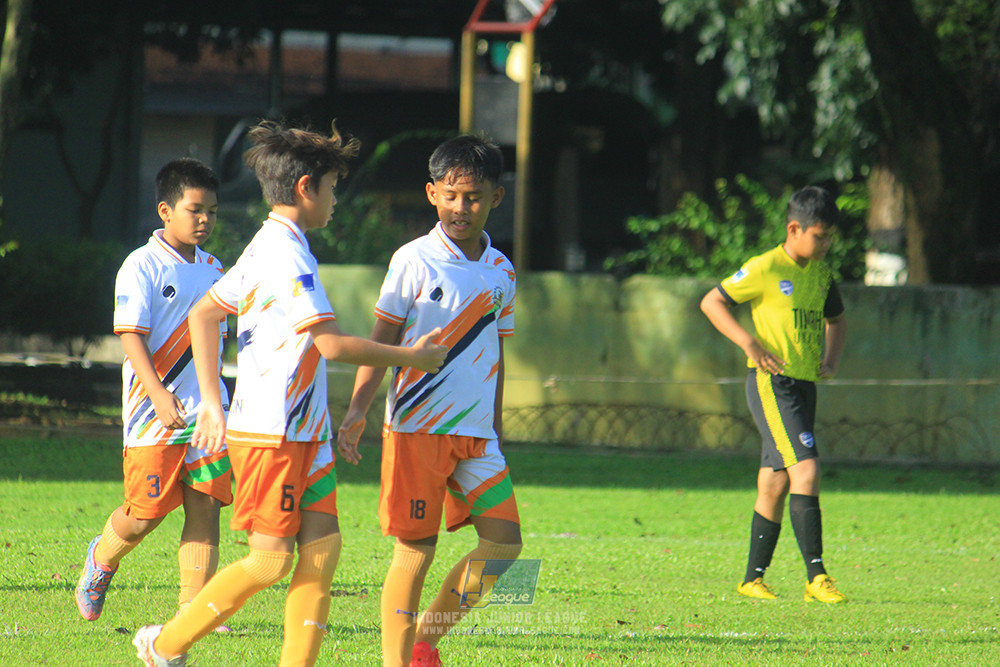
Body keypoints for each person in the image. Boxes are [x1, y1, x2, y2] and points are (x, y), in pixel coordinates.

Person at [132, 119, 448, 667]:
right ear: (306, 188)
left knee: (322, 552)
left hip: (306, 432)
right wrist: (412, 358)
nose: (335, 203)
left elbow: (206, 311)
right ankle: (163, 645)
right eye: (332, 189)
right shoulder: (285, 254)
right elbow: (328, 346)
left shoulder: (271, 243)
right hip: (271, 432)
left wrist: (212, 397)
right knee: (270, 561)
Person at [337, 134, 523, 667]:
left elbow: (496, 351)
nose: (461, 207)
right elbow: (382, 339)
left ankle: (424, 641)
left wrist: (496, 424)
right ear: (432, 194)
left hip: (478, 437)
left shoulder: (502, 270)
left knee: (504, 545)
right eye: (451, 195)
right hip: (418, 430)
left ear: (496, 198)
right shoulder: (413, 260)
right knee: (415, 552)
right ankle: (399, 660)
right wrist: (356, 411)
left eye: (474, 196)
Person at [76, 158, 233, 623]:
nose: (205, 220)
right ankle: (102, 558)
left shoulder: (215, 268)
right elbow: (130, 336)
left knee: (206, 507)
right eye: (195, 210)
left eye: (212, 212)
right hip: (154, 413)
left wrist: (220, 401)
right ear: (166, 211)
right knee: (145, 515)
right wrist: (160, 395)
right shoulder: (140, 265)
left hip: (207, 413)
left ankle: (191, 612)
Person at [700, 186, 848, 604]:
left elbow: (837, 321)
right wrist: (750, 344)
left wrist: (832, 360)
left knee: (775, 479)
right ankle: (816, 576)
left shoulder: (821, 275)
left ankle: (752, 579)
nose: (826, 244)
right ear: (794, 228)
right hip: (772, 383)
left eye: (830, 237)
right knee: (808, 471)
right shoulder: (765, 267)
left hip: (804, 385)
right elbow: (712, 301)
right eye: (820, 236)